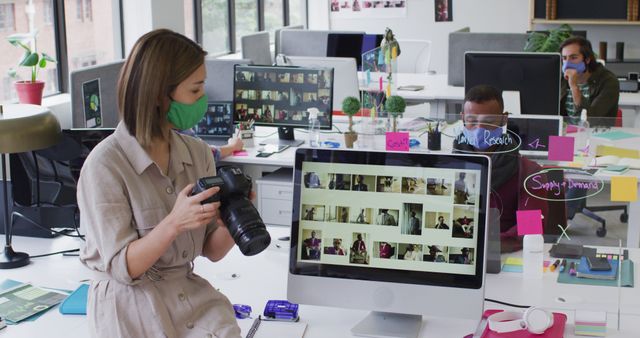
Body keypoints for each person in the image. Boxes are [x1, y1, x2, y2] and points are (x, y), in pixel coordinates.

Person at [78, 29, 241, 337]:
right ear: (157, 94)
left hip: (187, 296)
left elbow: (211, 250)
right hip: (129, 306)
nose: (202, 100)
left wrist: (233, 222)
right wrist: (174, 223)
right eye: (195, 91)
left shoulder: (197, 153)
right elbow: (123, 268)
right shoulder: (105, 166)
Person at [453, 85, 549, 252]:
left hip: (504, 256)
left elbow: (530, 229)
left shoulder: (529, 173)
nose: (479, 129)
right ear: (462, 118)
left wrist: (482, 246)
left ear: (504, 120)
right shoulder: (448, 167)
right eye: (471, 121)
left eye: (488, 122)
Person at [559, 36, 619, 126]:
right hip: (566, 134)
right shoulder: (562, 79)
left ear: (587, 60)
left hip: (595, 135)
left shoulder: (608, 81)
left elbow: (591, 120)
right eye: (564, 58)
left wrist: (574, 87)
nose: (567, 64)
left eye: (573, 57)